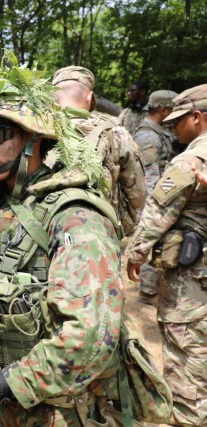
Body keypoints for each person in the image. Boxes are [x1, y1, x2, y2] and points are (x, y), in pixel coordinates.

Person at [0, 55, 125, 425]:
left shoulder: (75, 216)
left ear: (35, 137)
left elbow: (90, 338)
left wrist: (2, 385)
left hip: (57, 410)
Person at [126, 84, 207, 426]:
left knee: (187, 354)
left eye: (179, 121)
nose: (173, 128)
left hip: (192, 281)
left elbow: (157, 213)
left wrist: (135, 253)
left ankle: (190, 417)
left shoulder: (191, 160)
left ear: (197, 117)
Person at [52, 65, 146, 236]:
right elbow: (138, 195)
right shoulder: (116, 133)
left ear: (52, 98)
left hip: (40, 235)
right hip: (99, 236)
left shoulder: (31, 130)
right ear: (89, 97)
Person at [131, 89, 178, 304]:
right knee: (154, 243)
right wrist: (156, 211)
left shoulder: (158, 133)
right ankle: (148, 291)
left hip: (159, 199)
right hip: (153, 201)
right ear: (164, 110)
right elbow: (149, 179)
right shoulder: (148, 137)